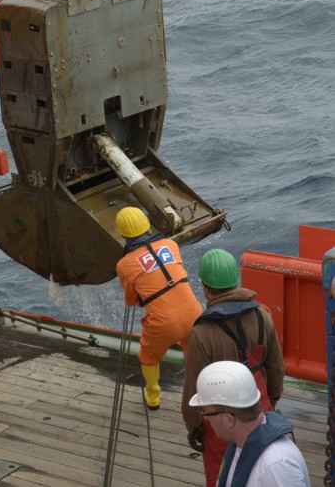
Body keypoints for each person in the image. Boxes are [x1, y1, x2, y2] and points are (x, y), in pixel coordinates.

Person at [181, 248, 285, 487]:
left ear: (205, 288)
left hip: (219, 423)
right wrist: (272, 400)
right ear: (236, 281)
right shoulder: (263, 316)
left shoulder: (201, 334)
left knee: (223, 478)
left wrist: (194, 427)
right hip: (260, 408)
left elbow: (193, 387)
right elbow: (276, 368)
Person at [115, 206, 202, 409]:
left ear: (123, 234)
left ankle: (153, 397)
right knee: (193, 355)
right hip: (194, 312)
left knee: (148, 356)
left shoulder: (124, 264)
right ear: (147, 225)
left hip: (164, 322)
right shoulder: (170, 245)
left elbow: (132, 300)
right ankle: (200, 394)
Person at [189, 360, 310, 486]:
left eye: (206, 412)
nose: (206, 419)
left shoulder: (277, 466)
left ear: (228, 419)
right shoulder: (241, 443)